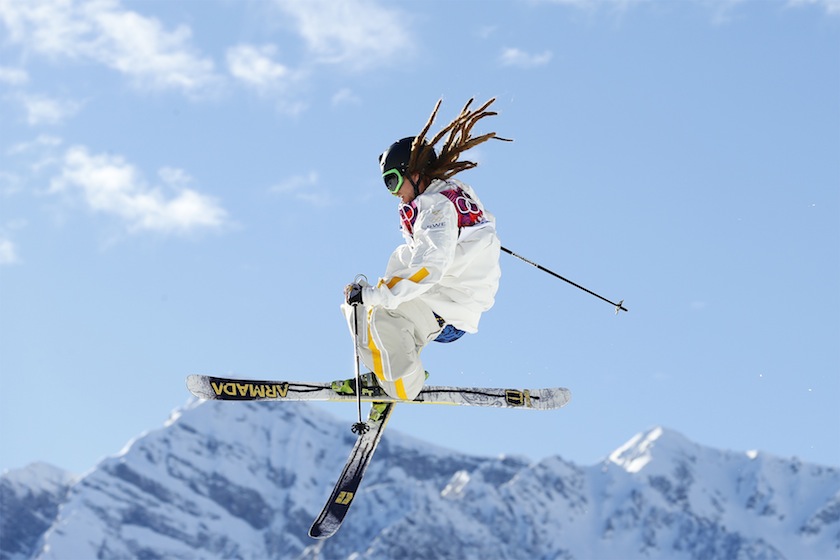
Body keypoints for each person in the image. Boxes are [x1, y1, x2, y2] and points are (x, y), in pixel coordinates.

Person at [333, 98, 510, 419]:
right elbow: (477, 230)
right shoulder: (446, 195)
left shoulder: (435, 208)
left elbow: (430, 266)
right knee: (357, 308)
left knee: (381, 315)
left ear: (414, 174)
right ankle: (385, 372)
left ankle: (403, 384)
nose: (392, 192)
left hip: (451, 305)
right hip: (445, 297)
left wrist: (377, 294)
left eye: (392, 181)